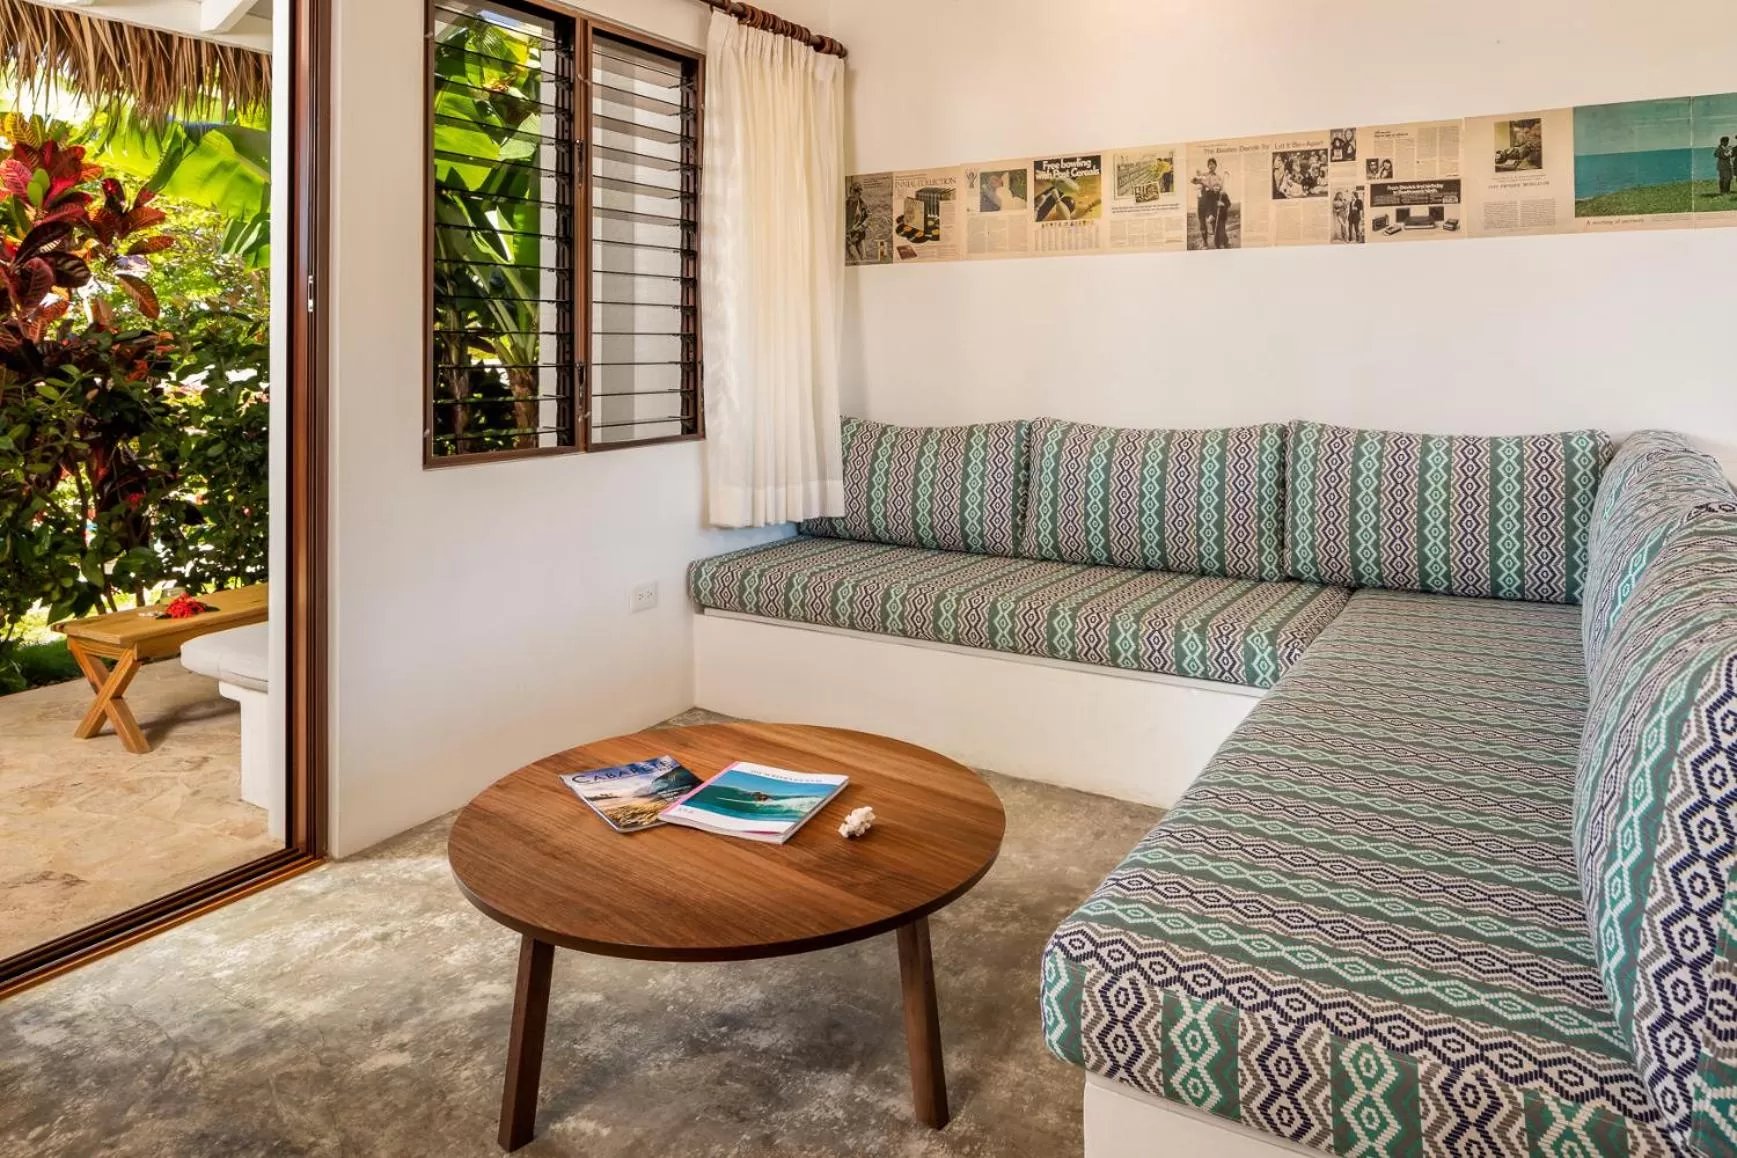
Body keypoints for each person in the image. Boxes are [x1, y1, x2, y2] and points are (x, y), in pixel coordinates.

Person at [1192, 157, 1225, 248]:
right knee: (1202, 223)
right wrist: (1196, 178)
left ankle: (1217, 243)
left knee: (1214, 222)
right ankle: (1205, 242)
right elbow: (1193, 181)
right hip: (1202, 201)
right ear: (1208, 166)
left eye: (1213, 164)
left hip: (1212, 202)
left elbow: (1219, 189)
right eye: (1209, 164)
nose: (1211, 166)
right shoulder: (1204, 175)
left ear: (1216, 165)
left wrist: (1220, 191)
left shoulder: (1218, 177)